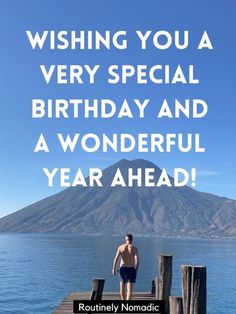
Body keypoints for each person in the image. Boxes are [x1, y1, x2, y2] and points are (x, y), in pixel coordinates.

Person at [112, 234, 139, 300]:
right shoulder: (134, 249)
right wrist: (136, 270)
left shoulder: (121, 247)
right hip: (131, 268)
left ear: (125, 239)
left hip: (123, 268)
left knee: (122, 286)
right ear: (132, 239)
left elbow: (116, 258)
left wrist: (113, 269)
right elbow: (137, 260)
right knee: (129, 289)